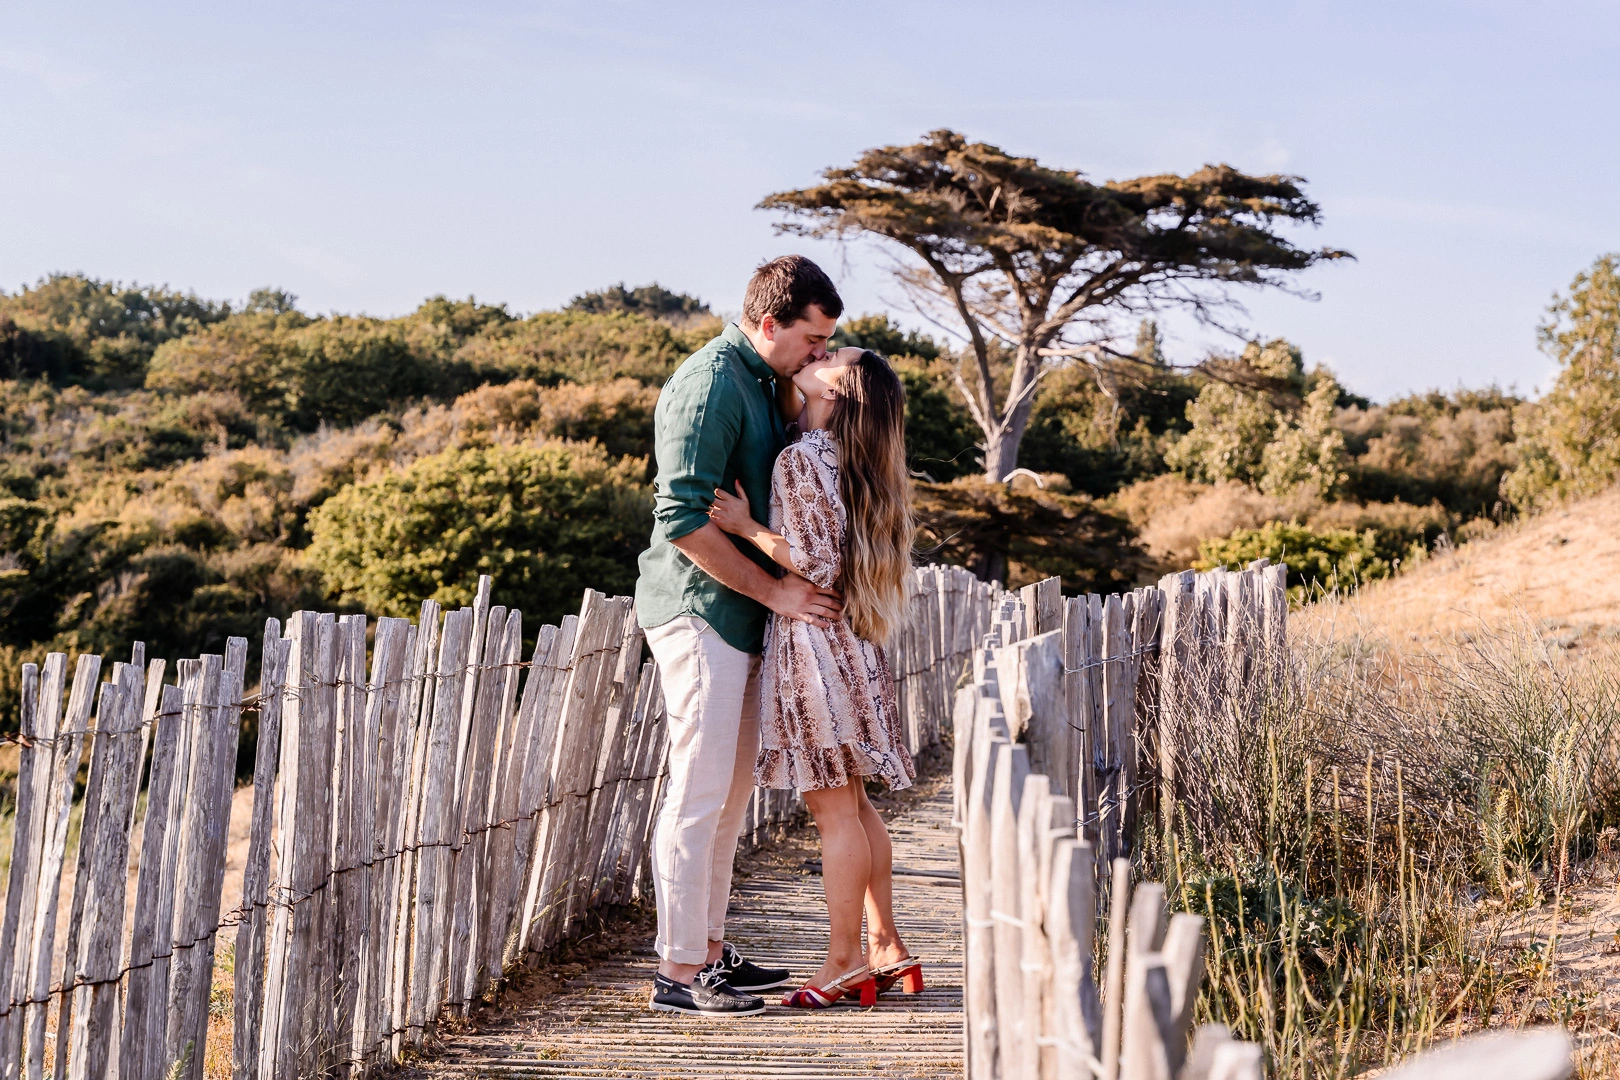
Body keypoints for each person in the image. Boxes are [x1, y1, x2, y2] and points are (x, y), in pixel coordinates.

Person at [636, 255, 846, 1017]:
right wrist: (779, 590)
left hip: (741, 615)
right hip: (700, 613)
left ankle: (711, 952)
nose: (820, 353)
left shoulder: (760, 381)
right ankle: (678, 973)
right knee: (697, 793)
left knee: (730, 793)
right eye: (813, 339)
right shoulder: (710, 383)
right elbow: (682, 519)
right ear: (769, 323)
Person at [708, 346, 923, 1009]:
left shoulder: (803, 458)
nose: (823, 352)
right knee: (854, 806)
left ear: (840, 390)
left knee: (834, 812)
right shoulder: (849, 458)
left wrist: (748, 530)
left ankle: (843, 961)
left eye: (836, 356)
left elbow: (818, 564)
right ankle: (887, 947)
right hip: (849, 645)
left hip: (814, 653)